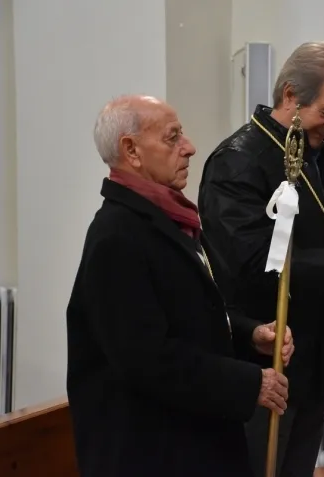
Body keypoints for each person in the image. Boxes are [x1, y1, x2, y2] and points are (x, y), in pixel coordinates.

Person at [66, 95, 292, 477]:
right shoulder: (117, 237)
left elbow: (192, 315)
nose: (189, 147)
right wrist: (247, 383)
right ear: (131, 151)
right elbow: (148, 358)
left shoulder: (169, 220)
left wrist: (250, 335)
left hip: (191, 440)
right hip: (152, 453)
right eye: (173, 138)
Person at [197, 42, 324, 477]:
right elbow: (249, 266)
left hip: (312, 367)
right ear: (290, 94)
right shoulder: (238, 161)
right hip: (259, 365)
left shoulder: (317, 159)